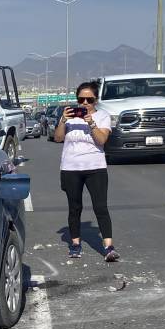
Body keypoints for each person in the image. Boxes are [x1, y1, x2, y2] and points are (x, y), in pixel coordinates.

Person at [53, 81, 119, 262]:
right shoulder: (69, 117)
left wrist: (91, 124)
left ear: (96, 100)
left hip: (95, 168)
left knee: (101, 207)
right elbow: (58, 138)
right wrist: (64, 120)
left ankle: (108, 246)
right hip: (70, 168)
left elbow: (102, 140)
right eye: (81, 99)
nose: (84, 103)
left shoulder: (103, 116)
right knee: (75, 207)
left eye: (89, 99)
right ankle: (75, 244)